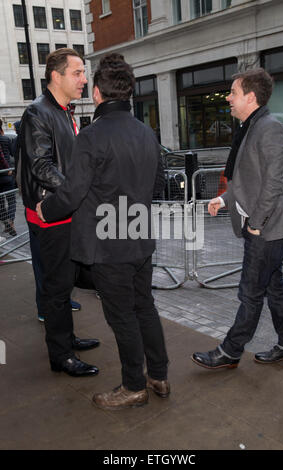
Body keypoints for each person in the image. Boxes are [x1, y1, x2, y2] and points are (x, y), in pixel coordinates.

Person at [36, 53, 169, 410]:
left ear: (97, 93)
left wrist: (45, 208)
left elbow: (73, 191)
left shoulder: (93, 136)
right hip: (139, 236)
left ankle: (133, 386)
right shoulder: (146, 132)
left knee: (121, 315)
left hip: (109, 245)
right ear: (128, 93)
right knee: (145, 307)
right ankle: (158, 375)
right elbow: (157, 184)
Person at [192, 68, 283, 370]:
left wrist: (256, 223)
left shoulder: (270, 129)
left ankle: (230, 350)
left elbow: (274, 183)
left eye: (233, 93)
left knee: (250, 292)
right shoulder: (249, 127)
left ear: (250, 97)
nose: (228, 97)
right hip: (263, 227)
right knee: (273, 286)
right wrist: (223, 199)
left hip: (267, 229)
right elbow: (246, 181)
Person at [19, 48, 99, 377]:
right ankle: (61, 355)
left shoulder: (63, 111)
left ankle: (66, 339)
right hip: (51, 213)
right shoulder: (37, 113)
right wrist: (74, 192)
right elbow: (40, 165)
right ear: (57, 76)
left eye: (83, 73)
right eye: (77, 73)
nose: (83, 79)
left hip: (65, 209)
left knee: (64, 283)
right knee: (55, 287)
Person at [0, 119, 17, 237]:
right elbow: (12, 154)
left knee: (0, 202)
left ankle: (6, 220)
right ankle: (10, 221)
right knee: (11, 199)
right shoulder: (6, 139)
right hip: (7, 173)